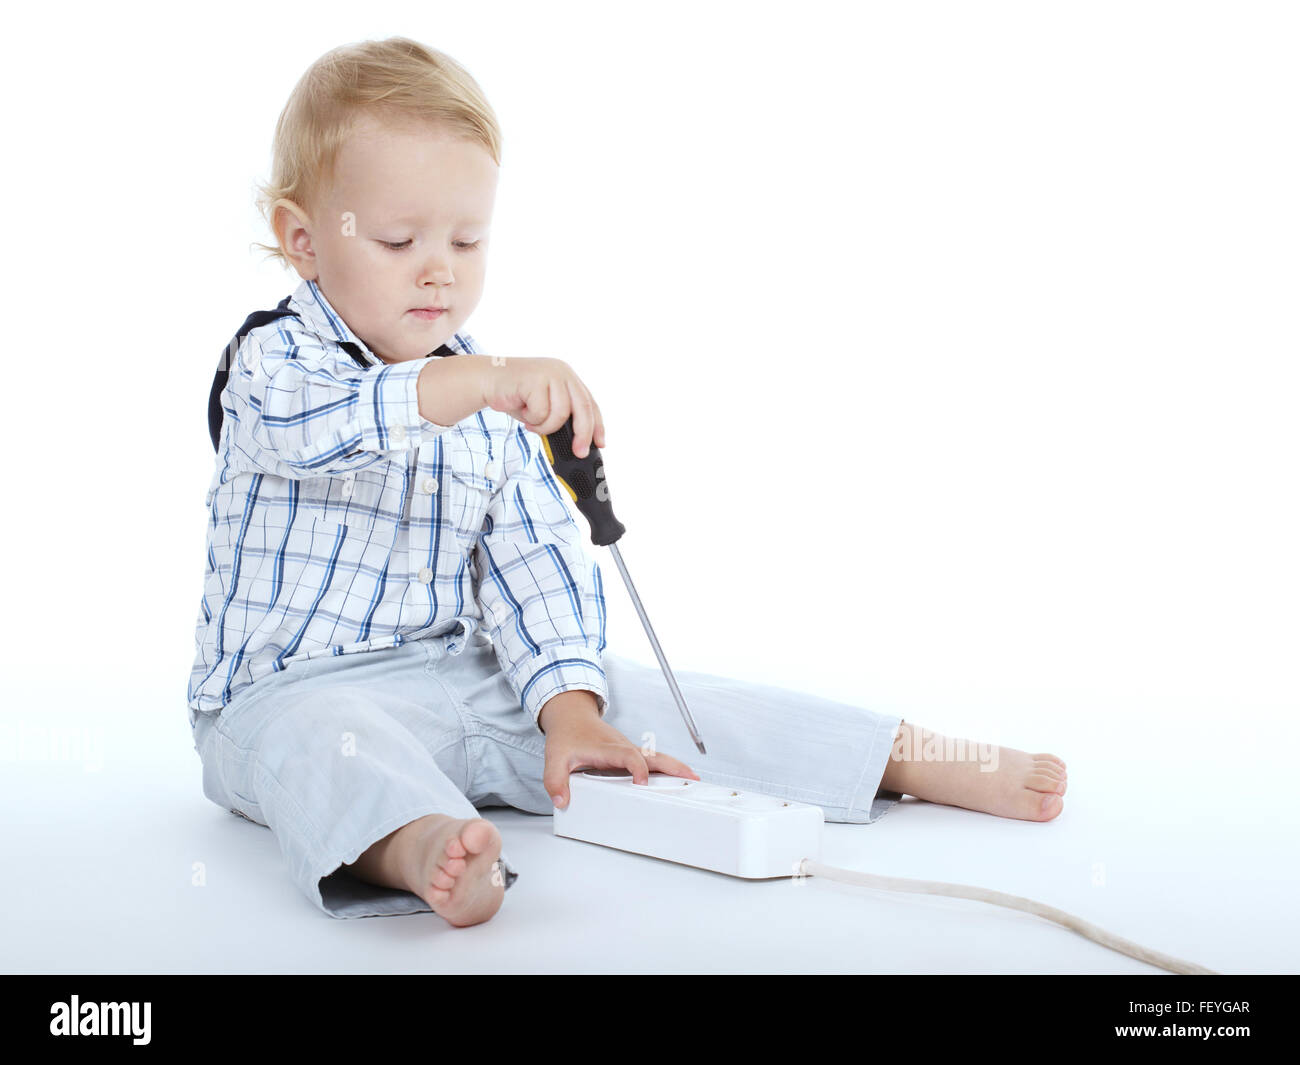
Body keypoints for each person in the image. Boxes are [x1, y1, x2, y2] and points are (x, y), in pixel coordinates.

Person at [188, 36, 1067, 929]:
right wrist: (478, 384)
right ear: (305, 240)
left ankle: (894, 757)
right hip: (282, 697)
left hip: (457, 680)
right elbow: (324, 425)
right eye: (398, 239)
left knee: (632, 693)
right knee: (328, 749)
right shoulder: (272, 362)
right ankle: (421, 846)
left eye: (466, 238)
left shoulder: (487, 392)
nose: (439, 267)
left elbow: (533, 557)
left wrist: (569, 709)